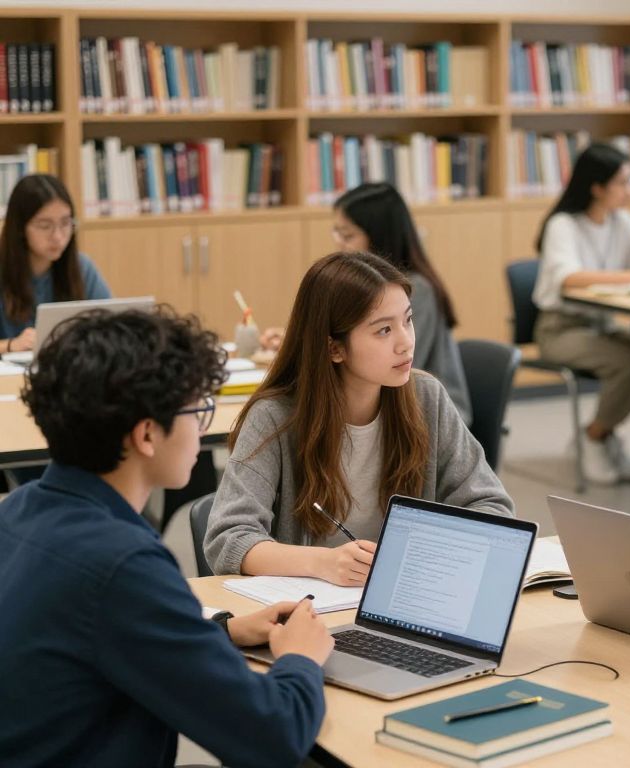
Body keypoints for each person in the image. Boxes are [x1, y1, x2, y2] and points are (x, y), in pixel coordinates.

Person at [0, 307, 334, 767]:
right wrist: (300, 658)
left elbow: (98, 636)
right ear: (146, 434)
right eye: (198, 410)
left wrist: (219, 632)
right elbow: (273, 736)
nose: (202, 429)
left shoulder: (20, 509)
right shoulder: (123, 563)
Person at [204, 251, 513, 586]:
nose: (406, 342)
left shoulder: (426, 397)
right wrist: (323, 563)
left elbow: (491, 506)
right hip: (305, 613)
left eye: (407, 321)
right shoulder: (275, 417)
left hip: (401, 601)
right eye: (383, 330)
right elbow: (228, 539)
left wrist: (424, 554)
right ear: (334, 348)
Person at [533, 143, 630, 484]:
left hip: (601, 324)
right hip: (559, 330)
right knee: (628, 363)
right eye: (623, 182)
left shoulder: (620, 220)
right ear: (597, 187)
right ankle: (595, 436)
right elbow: (569, 278)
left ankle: (604, 434)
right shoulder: (563, 224)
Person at [333, 181, 471, 423]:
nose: (339, 244)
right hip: (385, 399)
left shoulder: (414, 291)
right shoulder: (360, 288)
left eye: (348, 236)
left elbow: (398, 364)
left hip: (430, 411)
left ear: (379, 238)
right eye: (337, 234)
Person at [0, 173, 111, 353]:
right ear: (20, 228)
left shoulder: (82, 267)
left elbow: (112, 329)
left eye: (66, 223)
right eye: (45, 226)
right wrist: (11, 345)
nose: (58, 237)